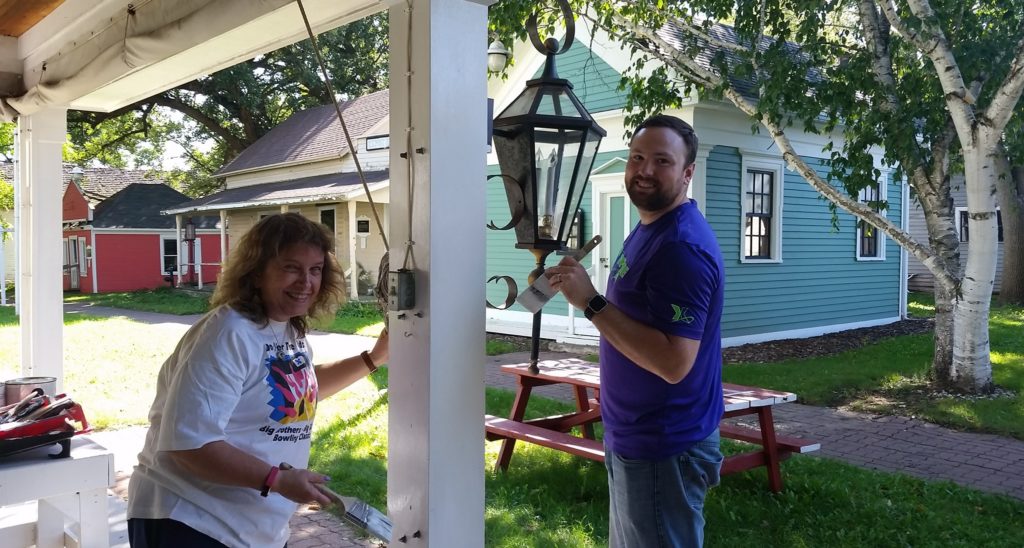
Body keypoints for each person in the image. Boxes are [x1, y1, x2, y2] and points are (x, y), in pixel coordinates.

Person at [127, 213, 389, 548]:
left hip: (247, 527)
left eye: (315, 269)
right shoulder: (228, 333)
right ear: (256, 271)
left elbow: (292, 394)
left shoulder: (287, 327)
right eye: (291, 268)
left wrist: (374, 358)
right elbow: (189, 445)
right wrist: (276, 480)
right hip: (190, 521)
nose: (305, 282)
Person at [549, 114, 725, 547]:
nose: (645, 170)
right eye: (637, 157)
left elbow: (673, 362)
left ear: (687, 173)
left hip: (664, 443)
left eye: (662, 161)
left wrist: (590, 302)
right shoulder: (651, 227)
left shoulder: (680, 248)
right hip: (637, 434)